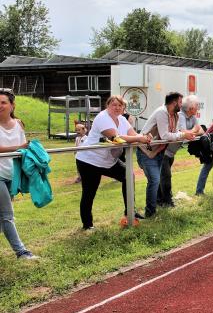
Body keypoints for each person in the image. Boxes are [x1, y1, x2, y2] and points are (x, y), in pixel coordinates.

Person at [76, 95, 151, 230]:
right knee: (89, 191)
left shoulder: (122, 119)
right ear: (107, 106)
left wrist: (142, 137)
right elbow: (115, 137)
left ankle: (130, 212)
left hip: (108, 161)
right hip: (89, 161)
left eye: (120, 106)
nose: (117, 108)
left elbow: (133, 134)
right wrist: (140, 138)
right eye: (114, 105)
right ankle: (87, 225)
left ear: (124, 108)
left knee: (128, 176)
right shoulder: (102, 117)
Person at [137, 92, 195, 217]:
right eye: (180, 102)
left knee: (156, 181)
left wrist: (183, 134)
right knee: (155, 180)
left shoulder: (175, 115)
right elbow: (165, 136)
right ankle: (150, 213)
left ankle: (156, 207)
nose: (182, 105)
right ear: (174, 103)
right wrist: (184, 135)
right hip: (146, 151)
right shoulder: (162, 112)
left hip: (159, 151)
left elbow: (175, 132)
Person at [0, 89, 38, 259]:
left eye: (3, 102)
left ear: (12, 105)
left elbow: (25, 147)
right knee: (8, 215)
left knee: (2, 216)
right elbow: (19, 147)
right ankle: (21, 251)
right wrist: (19, 148)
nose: (0, 106)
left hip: (12, 175)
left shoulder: (19, 124)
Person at [158, 95, 203, 207]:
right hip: (163, 151)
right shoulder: (180, 115)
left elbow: (201, 130)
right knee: (166, 177)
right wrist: (193, 131)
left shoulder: (192, 116)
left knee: (163, 177)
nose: (198, 108)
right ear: (191, 108)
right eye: (197, 106)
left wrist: (190, 132)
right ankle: (168, 202)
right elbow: (183, 132)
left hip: (171, 152)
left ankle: (160, 201)